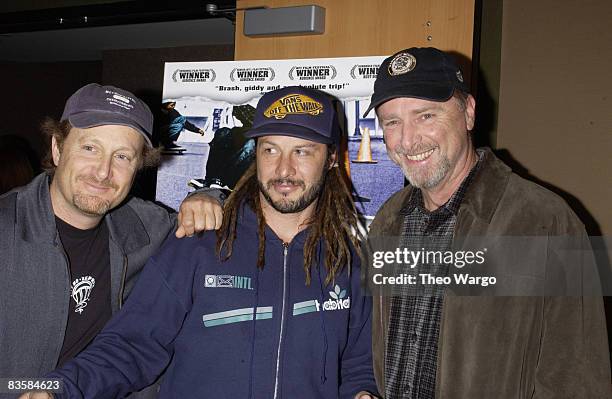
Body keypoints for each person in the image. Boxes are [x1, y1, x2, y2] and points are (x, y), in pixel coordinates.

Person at [23, 86, 379, 399]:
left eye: (302, 152)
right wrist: (63, 389)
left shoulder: (347, 260)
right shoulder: (198, 241)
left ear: (332, 158)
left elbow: (357, 362)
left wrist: (362, 392)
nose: (283, 169)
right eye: (270, 150)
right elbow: (134, 344)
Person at [362, 48, 610, 398]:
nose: (407, 140)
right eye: (392, 122)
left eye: (425, 115)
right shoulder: (386, 223)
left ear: (468, 113)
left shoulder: (547, 222)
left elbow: (579, 379)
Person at [0, 83, 223, 398]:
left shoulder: (151, 229)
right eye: (89, 148)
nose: (103, 172)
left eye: (122, 156)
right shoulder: (5, 229)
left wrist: (210, 197)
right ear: (57, 148)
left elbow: (236, 215)